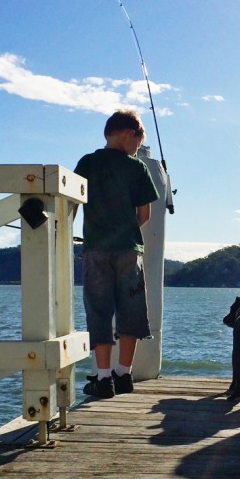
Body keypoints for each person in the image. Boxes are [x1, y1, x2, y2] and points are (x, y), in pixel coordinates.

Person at [72, 109, 160, 399]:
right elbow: (144, 213)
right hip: (128, 251)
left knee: (99, 310)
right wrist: (125, 229)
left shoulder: (87, 162)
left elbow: (72, 205)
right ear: (128, 134)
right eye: (137, 141)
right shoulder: (137, 169)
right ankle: (124, 374)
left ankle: (103, 377)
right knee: (130, 311)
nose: (137, 148)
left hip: (96, 249)